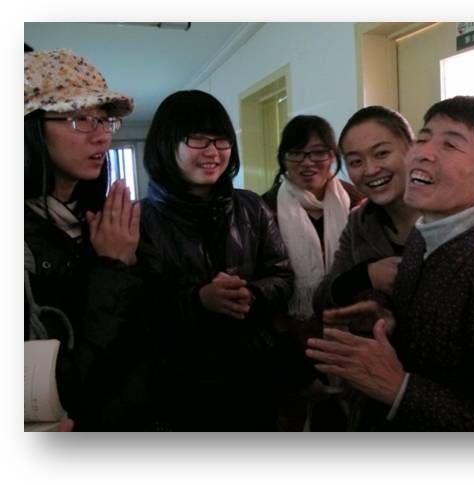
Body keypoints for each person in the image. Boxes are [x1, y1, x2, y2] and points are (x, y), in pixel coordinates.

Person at [307, 96, 474, 431]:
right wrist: (388, 317)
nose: (424, 152)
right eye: (424, 138)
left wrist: (400, 390)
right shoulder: (421, 230)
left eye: (450, 144)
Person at [137, 90, 295, 431]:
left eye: (221, 140)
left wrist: (251, 294)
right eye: (197, 139)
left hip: (253, 377)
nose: (212, 152)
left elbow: (282, 276)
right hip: (178, 386)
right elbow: (136, 307)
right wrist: (198, 301)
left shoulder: (251, 206)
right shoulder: (139, 219)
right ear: (166, 143)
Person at [24, 49, 147, 430]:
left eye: (105, 120)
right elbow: (61, 386)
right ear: (29, 128)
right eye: (80, 119)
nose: (103, 136)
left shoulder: (105, 222)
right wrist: (113, 266)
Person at [261, 115, 365, 430]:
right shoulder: (264, 209)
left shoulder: (358, 203)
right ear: (283, 158)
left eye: (319, 152)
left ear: (333, 156)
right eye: (296, 153)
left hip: (352, 336)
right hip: (293, 343)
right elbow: (266, 294)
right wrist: (296, 371)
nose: (308, 162)